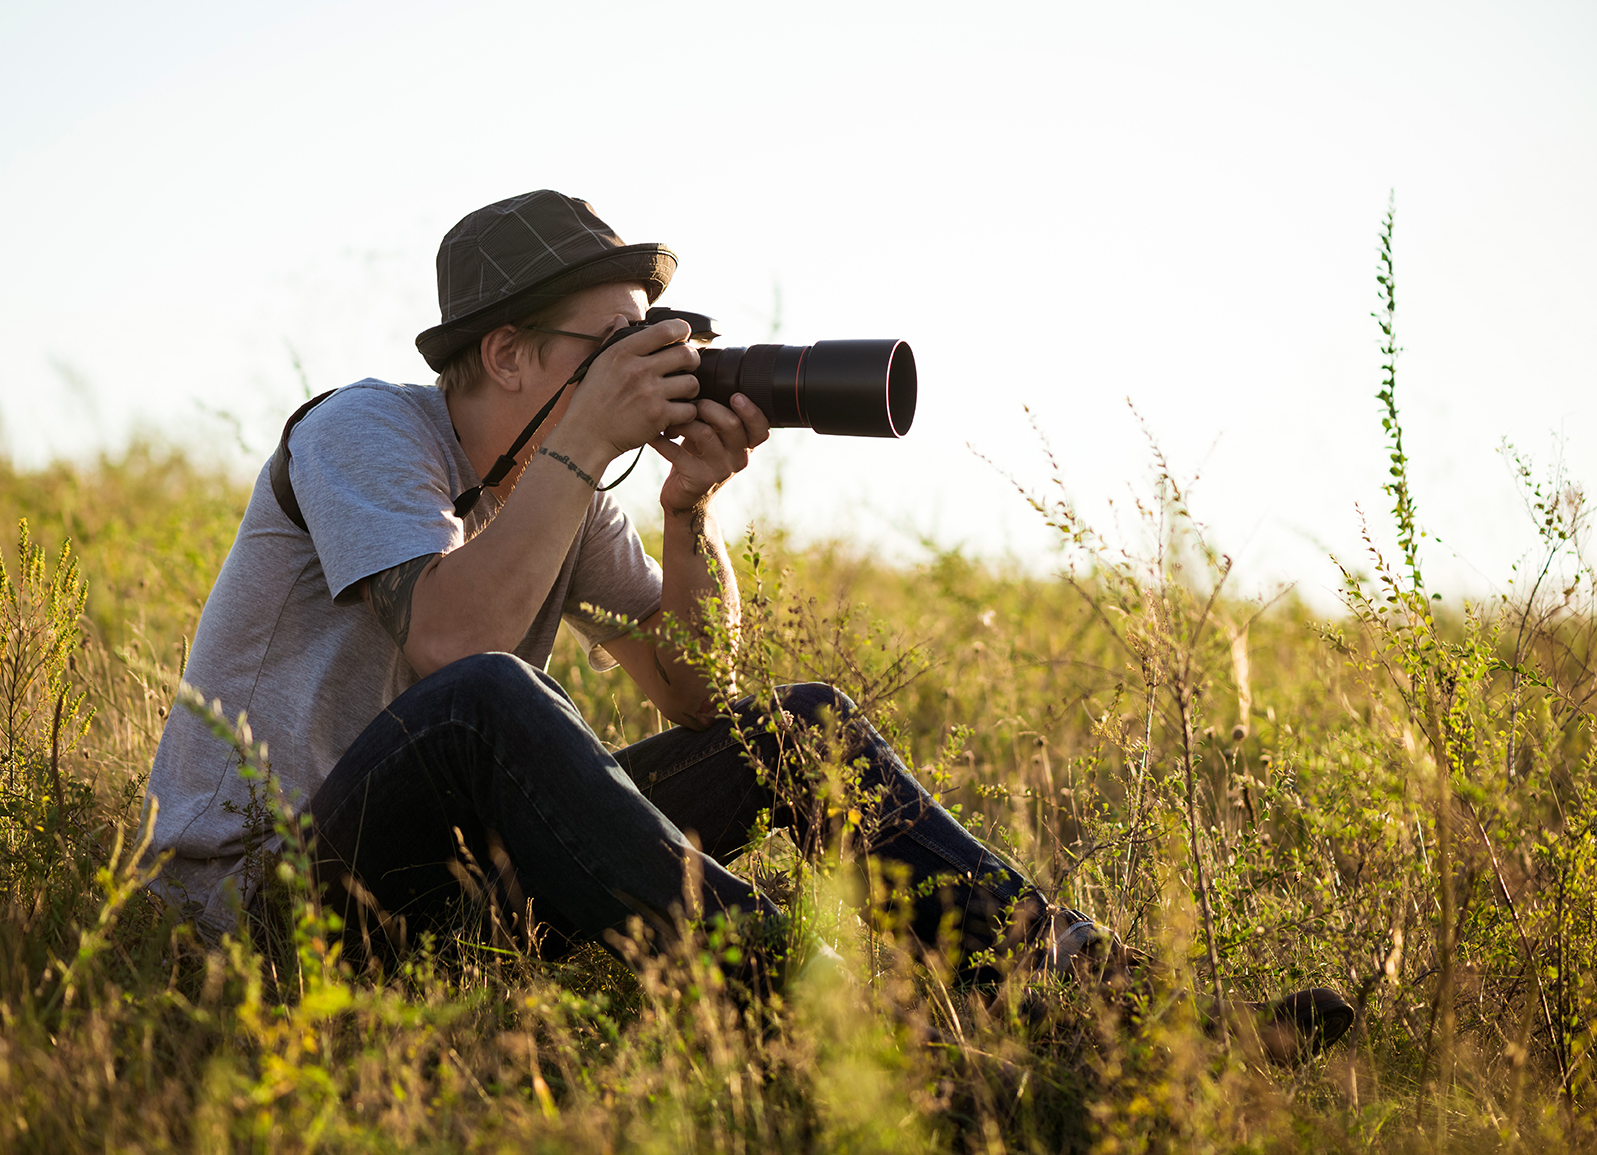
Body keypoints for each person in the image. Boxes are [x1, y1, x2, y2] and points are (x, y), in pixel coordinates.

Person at [140, 190, 1350, 1052]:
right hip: (260, 917)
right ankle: (837, 1024)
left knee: (798, 727)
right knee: (490, 698)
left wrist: (687, 511)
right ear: (504, 354)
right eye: (614, 343)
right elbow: (456, 645)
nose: (650, 362)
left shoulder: (553, 485)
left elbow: (694, 695)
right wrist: (580, 444)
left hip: (444, 914)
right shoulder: (366, 430)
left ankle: (1110, 1007)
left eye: (654, 338)